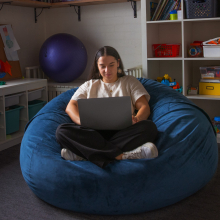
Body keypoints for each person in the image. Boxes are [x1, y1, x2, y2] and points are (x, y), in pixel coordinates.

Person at [56, 46, 158, 168]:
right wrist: (81, 121)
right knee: (61, 131)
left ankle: (85, 154)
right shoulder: (89, 85)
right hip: (94, 133)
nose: (107, 70)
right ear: (97, 66)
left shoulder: (129, 81)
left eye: (111, 65)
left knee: (149, 127)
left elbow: (144, 107)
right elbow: (70, 107)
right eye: (102, 66)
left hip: (124, 133)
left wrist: (137, 119)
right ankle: (121, 155)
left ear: (118, 63)